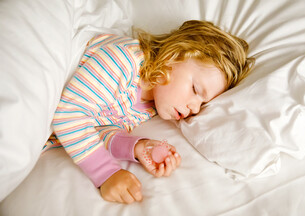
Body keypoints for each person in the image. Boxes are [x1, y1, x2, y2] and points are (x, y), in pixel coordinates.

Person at [46, 20, 255, 204]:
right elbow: (70, 114)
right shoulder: (124, 60)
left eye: (202, 103)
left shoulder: (148, 108)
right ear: (173, 56)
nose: (195, 108)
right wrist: (107, 174)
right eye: (195, 90)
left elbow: (95, 128)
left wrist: (137, 147)